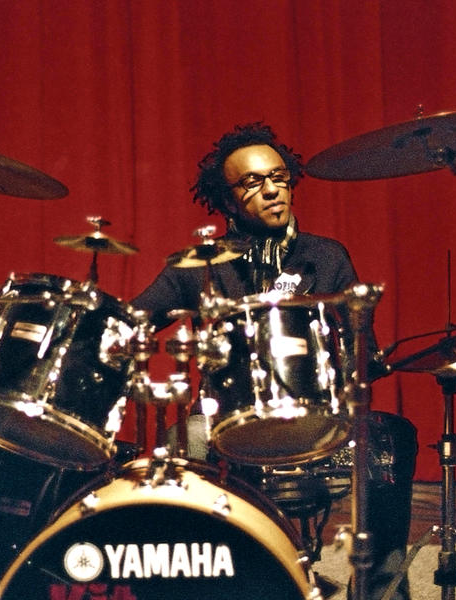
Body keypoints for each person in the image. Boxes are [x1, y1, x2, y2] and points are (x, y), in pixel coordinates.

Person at [131, 122, 417, 600]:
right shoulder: (200, 265)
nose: (271, 190)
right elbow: (133, 321)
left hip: (321, 425)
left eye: (279, 177)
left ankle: (380, 590)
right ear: (226, 201)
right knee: (181, 444)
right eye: (252, 182)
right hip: (223, 425)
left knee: (391, 439)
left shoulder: (326, 257)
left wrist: (353, 365)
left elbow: (362, 352)